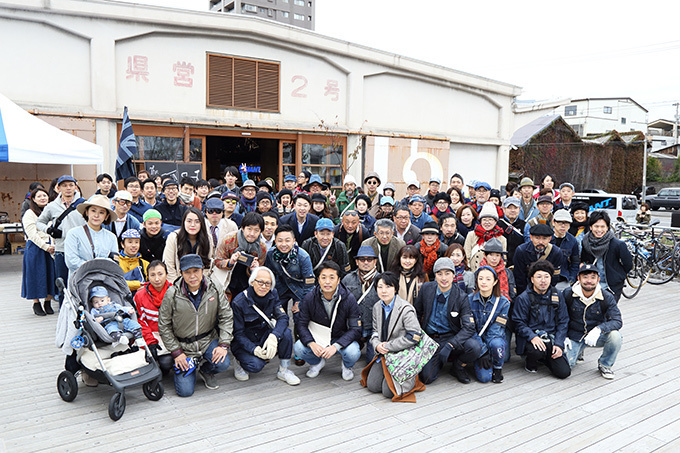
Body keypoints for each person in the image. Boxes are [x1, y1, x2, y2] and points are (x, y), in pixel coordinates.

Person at [158, 254, 233, 396]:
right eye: (187, 272)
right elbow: (164, 325)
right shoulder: (172, 293)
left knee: (223, 362)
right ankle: (183, 367)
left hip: (207, 340)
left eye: (196, 271)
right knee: (185, 392)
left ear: (203, 270)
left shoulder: (214, 287)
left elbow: (226, 316)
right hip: (184, 345)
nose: (192, 276)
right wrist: (177, 352)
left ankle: (206, 370)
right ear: (181, 273)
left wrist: (223, 344)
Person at [414, 257, 481, 384]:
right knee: (427, 378)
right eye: (439, 274)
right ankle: (437, 360)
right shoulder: (426, 289)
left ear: (453, 275)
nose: (443, 278)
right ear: (435, 275)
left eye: (447, 273)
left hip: (449, 337)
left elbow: (469, 327)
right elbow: (416, 313)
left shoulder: (461, 296)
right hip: (430, 338)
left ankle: (458, 366)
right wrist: (418, 335)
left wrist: (451, 344)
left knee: (474, 347)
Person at [230, 267, 300, 386]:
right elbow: (238, 334)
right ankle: (238, 361)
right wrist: (254, 349)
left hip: (264, 335)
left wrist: (274, 336)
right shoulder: (239, 302)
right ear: (252, 282)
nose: (264, 286)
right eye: (260, 282)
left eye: (268, 283)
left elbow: (283, 317)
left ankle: (284, 370)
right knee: (256, 366)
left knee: (286, 333)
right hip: (247, 342)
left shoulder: (273, 294)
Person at [363, 271, 426, 400]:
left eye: (388, 286)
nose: (383, 290)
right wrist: (377, 345)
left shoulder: (405, 309)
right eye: (380, 287)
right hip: (384, 353)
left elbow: (415, 336)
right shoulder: (376, 307)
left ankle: (412, 378)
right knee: (372, 386)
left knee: (388, 391)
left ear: (395, 289)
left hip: (402, 355)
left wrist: (389, 346)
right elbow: (374, 331)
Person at [294, 261, 362, 380]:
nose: (327, 282)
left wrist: (336, 346)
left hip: (340, 338)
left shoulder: (348, 298)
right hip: (318, 338)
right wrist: (311, 343)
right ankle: (317, 363)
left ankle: (347, 366)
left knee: (353, 351)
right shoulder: (310, 297)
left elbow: (355, 329)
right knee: (299, 347)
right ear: (318, 279)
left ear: (338, 280)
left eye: (332, 277)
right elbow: (301, 324)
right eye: (323, 277)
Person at [563, 264, 623, 379]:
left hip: (596, 336)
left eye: (593, 277)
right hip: (574, 335)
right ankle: (579, 351)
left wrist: (599, 329)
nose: (589, 281)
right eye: (585, 277)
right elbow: (559, 317)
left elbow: (617, 320)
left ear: (598, 280)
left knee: (616, 336)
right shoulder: (568, 294)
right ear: (578, 278)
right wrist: (563, 336)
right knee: (567, 366)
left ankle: (605, 364)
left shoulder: (607, 296)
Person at [512, 260, 570, 379]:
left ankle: (546, 358)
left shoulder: (557, 295)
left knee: (564, 372)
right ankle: (531, 362)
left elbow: (563, 321)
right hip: (532, 338)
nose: (543, 280)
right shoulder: (523, 298)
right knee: (536, 350)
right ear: (532, 279)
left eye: (546, 277)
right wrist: (532, 336)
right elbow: (518, 323)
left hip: (551, 337)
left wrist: (559, 344)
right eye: (539, 277)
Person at [36, 175, 86, 303]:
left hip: (81, 249)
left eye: (71, 185)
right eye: (64, 185)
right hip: (61, 249)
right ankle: (65, 310)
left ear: (76, 186)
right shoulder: (52, 206)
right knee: (62, 282)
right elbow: (39, 222)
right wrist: (49, 230)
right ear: (58, 188)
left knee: (81, 280)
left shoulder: (84, 204)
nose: (68, 188)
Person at [469, 266, 510, 383]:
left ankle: (498, 368)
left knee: (497, 344)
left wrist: (486, 348)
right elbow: (470, 328)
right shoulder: (468, 300)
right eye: (480, 278)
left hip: (493, 340)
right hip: (477, 342)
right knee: (484, 378)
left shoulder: (504, 303)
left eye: (488, 279)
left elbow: (496, 330)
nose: (484, 282)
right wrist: (482, 351)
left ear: (495, 281)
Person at [580, 211, 633, 301]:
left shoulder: (617, 244)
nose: (599, 230)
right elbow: (584, 259)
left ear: (607, 227)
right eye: (596, 226)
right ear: (591, 227)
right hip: (592, 285)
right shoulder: (586, 241)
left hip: (611, 286)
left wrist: (618, 276)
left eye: (602, 226)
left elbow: (628, 264)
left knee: (608, 313)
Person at [64, 194, 119, 280]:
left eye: (101, 212)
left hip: (103, 283)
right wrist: (96, 267)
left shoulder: (111, 237)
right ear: (87, 212)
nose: (96, 215)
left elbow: (114, 262)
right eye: (93, 211)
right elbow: (72, 262)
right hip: (79, 281)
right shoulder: (73, 234)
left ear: (106, 216)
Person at [21, 187, 56, 316]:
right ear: (34, 199)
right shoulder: (29, 213)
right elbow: (32, 234)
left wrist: (52, 245)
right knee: (35, 276)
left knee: (50, 274)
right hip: (36, 248)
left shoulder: (51, 211)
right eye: (39, 196)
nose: (42, 198)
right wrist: (45, 246)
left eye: (45, 196)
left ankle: (48, 302)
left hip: (51, 247)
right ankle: (36, 303)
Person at [342, 245, 381, 361]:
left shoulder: (382, 280)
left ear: (375, 262)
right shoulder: (348, 279)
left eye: (369, 260)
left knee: (371, 360)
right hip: (353, 326)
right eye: (362, 259)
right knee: (349, 354)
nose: (366, 262)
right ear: (357, 262)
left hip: (373, 326)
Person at [265, 224, 315, 312]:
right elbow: (268, 276)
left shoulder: (303, 256)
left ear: (293, 241)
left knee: (299, 316)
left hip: (299, 288)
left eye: (287, 241)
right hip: (280, 288)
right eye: (280, 241)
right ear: (275, 241)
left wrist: (302, 303)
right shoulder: (270, 254)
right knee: (277, 314)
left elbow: (309, 284)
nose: (284, 244)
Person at [135, 260, 173, 374]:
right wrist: (150, 340)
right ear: (148, 277)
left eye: (160, 274)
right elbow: (140, 321)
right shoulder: (140, 295)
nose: (157, 279)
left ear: (166, 274)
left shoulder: (175, 292)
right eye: (152, 275)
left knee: (166, 363)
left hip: (171, 335)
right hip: (151, 334)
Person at [513, 223, 564, 295]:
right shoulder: (521, 251)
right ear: (531, 237)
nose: (540, 242)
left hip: (546, 288)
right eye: (537, 238)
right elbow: (519, 277)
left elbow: (555, 277)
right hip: (526, 288)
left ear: (549, 239)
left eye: (544, 239)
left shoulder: (556, 252)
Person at [163, 207, 211, 283]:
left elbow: (208, 265)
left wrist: (199, 283)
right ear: (183, 222)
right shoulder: (173, 237)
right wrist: (177, 285)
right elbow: (169, 265)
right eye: (189, 221)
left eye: (197, 222)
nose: (192, 225)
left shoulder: (207, 238)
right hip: (178, 281)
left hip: (200, 282)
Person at [464, 201, 507, 272]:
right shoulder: (471, 235)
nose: (487, 222)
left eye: (490, 220)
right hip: (473, 272)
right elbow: (466, 255)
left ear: (495, 221)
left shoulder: (501, 239)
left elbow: (503, 260)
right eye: (484, 219)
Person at [551, 209, 580, 288]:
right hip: (546, 278)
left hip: (564, 279)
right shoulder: (546, 238)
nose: (563, 226)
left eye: (566, 223)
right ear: (553, 222)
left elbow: (575, 262)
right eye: (560, 223)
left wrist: (571, 280)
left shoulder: (572, 240)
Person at [118, 229, 149, 293]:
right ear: (122, 244)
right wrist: (138, 284)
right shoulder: (116, 262)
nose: (134, 245)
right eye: (130, 242)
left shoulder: (145, 264)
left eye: (136, 242)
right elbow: (117, 283)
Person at [499, 196, 525, 268]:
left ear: (519, 209)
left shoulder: (524, 225)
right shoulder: (498, 225)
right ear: (503, 209)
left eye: (515, 208)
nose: (512, 210)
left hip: (519, 264)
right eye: (509, 208)